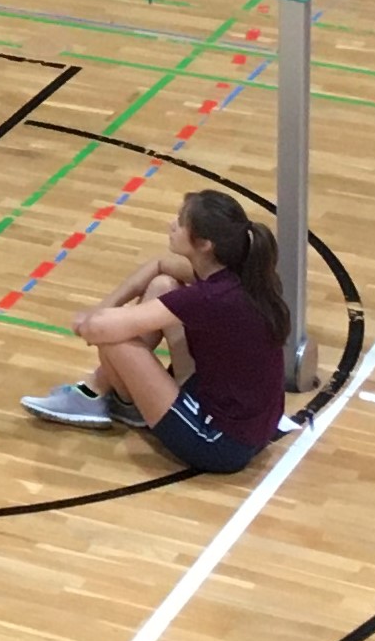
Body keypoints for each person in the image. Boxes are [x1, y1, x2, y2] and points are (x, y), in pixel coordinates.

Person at [18, 190, 290, 475]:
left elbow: (97, 330)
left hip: (221, 443)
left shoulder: (210, 298)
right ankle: (105, 394)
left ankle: (103, 395)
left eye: (181, 221)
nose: (172, 225)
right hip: (245, 419)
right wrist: (103, 307)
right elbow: (158, 266)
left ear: (204, 244)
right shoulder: (234, 272)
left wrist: (89, 320)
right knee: (163, 285)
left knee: (117, 339)